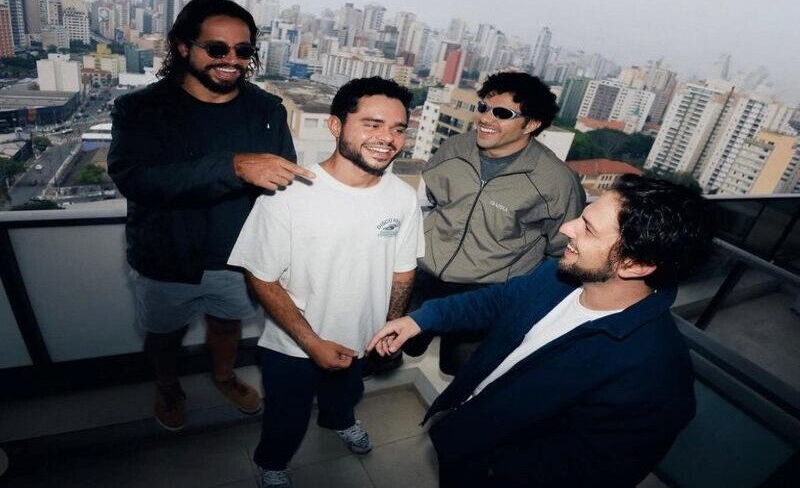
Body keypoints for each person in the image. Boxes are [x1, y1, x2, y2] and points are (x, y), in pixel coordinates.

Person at [369, 174, 714, 487]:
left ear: (634, 264)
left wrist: (490, 467)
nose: (567, 227)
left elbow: (593, 472)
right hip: (466, 438)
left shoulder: (657, 376)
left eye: (589, 229)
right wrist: (421, 319)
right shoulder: (559, 275)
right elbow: (497, 301)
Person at [108, 0, 313, 432]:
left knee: (227, 325)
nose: (232, 60)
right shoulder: (140, 109)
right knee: (164, 334)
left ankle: (223, 376)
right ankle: (168, 387)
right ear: (183, 46)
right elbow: (136, 179)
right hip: (165, 258)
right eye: (217, 48)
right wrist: (233, 166)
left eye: (243, 50)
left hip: (237, 259)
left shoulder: (266, 111)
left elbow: (283, 185)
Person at [228, 77, 424, 488]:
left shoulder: (403, 198)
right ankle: (272, 463)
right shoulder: (288, 194)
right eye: (372, 124)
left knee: (346, 397)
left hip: (363, 339)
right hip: (294, 345)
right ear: (336, 126)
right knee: (286, 417)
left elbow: (403, 271)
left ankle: (339, 421)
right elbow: (261, 277)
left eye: (398, 128)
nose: (387, 138)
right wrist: (312, 342)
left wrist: (389, 329)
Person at [404, 71, 586, 375]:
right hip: (426, 274)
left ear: (532, 124)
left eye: (502, 113)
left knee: (459, 368)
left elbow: (561, 250)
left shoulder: (556, 182)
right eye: (484, 108)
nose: (486, 118)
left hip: (486, 292)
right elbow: (431, 200)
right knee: (400, 345)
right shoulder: (454, 148)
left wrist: (524, 296)